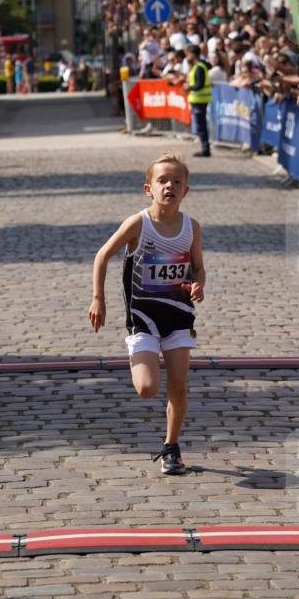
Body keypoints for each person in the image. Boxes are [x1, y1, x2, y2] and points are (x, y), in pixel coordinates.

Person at [88, 153, 205, 475]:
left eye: (177, 181)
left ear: (186, 191)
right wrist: (99, 299)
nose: (170, 185)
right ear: (148, 189)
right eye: (163, 180)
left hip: (180, 316)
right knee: (147, 389)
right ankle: (140, 354)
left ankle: (171, 447)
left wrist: (198, 286)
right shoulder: (138, 224)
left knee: (179, 386)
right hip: (143, 318)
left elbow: (198, 268)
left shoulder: (192, 227)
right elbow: (102, 256)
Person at [186, 44, 212, 157]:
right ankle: (205, 148)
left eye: (188, 54)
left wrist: (189, 87)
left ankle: (205, 149)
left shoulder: (199, 67)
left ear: (192, 54)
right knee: (201, 126)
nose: (187, 56)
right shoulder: (197, 66)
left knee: (201, 126)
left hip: (200, 100)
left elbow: (199, 85)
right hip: (198, 100)